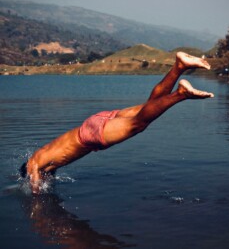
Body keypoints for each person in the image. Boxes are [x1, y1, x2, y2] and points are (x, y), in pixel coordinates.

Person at [20, 52, 214, 193]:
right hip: (92, 123)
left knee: (138, 124)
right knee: (148, 107)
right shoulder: (44, 155)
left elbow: (35, 179)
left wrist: (34, 197)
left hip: (89, 137)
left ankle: (180, 94)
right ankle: (179, 66)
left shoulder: (34, 163)